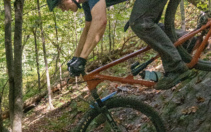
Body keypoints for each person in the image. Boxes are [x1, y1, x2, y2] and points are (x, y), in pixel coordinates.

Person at [47, 0, 193, 90]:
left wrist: (83, 58)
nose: (62, 8)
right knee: (144, 22)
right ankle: (186, 42)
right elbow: (88, 28)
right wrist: (76, 57)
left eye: (60, 4)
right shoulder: (86, 3)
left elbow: (100, 21)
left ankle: (176, 68)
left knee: (140, 22)